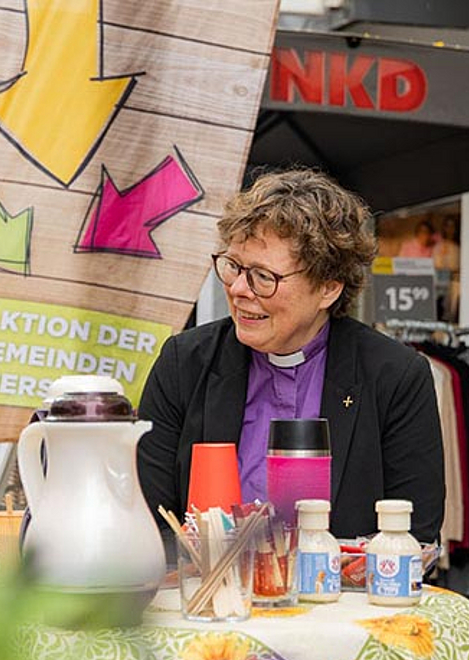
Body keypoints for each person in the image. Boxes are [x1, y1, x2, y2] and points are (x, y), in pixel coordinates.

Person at [137, 168, 445, 545]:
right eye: (233, 266)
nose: (237, 289)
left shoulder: (395, 376)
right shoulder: (185, 364)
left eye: (263, 277)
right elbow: (149, 521)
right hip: (210, 599)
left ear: (328, 288)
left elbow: (417, 534)